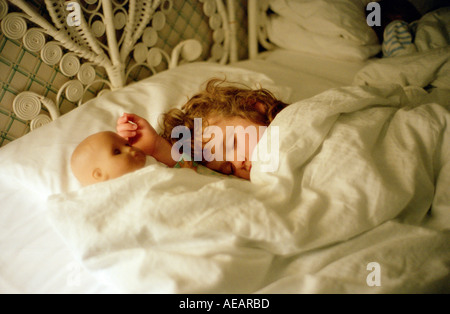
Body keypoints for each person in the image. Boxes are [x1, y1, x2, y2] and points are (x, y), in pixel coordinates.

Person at [117, 78, 289, 180]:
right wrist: (155, 146)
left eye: (232, 143)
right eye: (229, 168)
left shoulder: (294, 121)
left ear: (256, 108)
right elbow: (198, 174)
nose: (238, 163)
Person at [70, 131, 148, 186]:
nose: (129, 149)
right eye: (117, 152)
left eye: (128, 144)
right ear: (99, 174)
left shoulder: (151, 160)